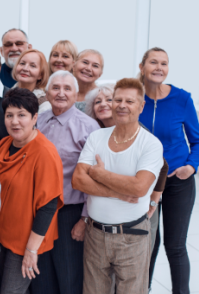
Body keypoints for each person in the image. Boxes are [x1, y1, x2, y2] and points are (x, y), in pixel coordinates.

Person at [72, 78, 164, 294]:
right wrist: (118, 192)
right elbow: (78, 180)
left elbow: (139, 188)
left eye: (130, 101)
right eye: (118, 99)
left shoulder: (150, 144)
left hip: (132, 236)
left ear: (141, 106)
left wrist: (100, 174)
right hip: (95, 234)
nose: (122, 105)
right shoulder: (96, 137)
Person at [31, 71, 99, 294]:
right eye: (56, 88)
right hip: (37, 212)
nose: (61, 93)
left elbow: (94, 178)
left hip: (69, 214)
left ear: (76, 93)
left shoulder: (89, 127)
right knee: (40, 278)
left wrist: (84, 219)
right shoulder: (36, 121)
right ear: (47, 92)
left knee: (69, 279)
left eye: (67, 88)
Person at [0, 88, 64, 294]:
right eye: (9, 115)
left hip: (24, 241)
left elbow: (48, 206)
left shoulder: (45, 153)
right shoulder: (4, 144)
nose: (15, 122)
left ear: (34, 118)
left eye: (22, 115)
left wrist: (31, 250)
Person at [138, 47, 199, 293]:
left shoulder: (182, 99)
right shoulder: (132, 96)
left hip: (176, 181)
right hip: (143, 181)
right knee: (147, 243)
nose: (159, 67)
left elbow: (197, 140)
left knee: (175, 245)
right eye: (154, 62)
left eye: (164, 63)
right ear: (142, 66)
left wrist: (191, 167)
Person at [11, 49, 51, 113]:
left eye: (32, 66)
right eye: (22, 63)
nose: (25, 68)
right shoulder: (4, 94)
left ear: (40, 74)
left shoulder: (43, 105)